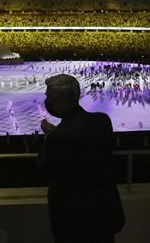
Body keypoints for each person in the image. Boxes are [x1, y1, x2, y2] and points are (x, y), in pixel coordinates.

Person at [39, 74, 125, 243]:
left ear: (58, 100)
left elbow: (43, 170)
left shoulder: (58, 138)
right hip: (103, 215)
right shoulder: (102, 121)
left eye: (48, 96)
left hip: (72, 221)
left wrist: (49, 138)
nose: (46, 100)